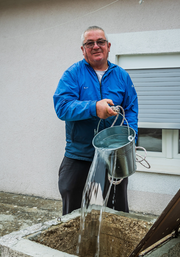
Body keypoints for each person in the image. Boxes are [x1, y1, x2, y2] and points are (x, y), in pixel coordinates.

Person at [53, 26, 138, 215]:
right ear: (83, 49)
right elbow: (62, 107)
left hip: (114, 158)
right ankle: (76, 245)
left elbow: (131, 110)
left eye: (100, 42)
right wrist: (94, 108)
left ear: (108, 46)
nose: (95, 46)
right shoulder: (72, 74)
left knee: (115, 213)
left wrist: (130, 140)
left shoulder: (122, 76)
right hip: (79, 156)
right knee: (74, 214)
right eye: (89, 43)